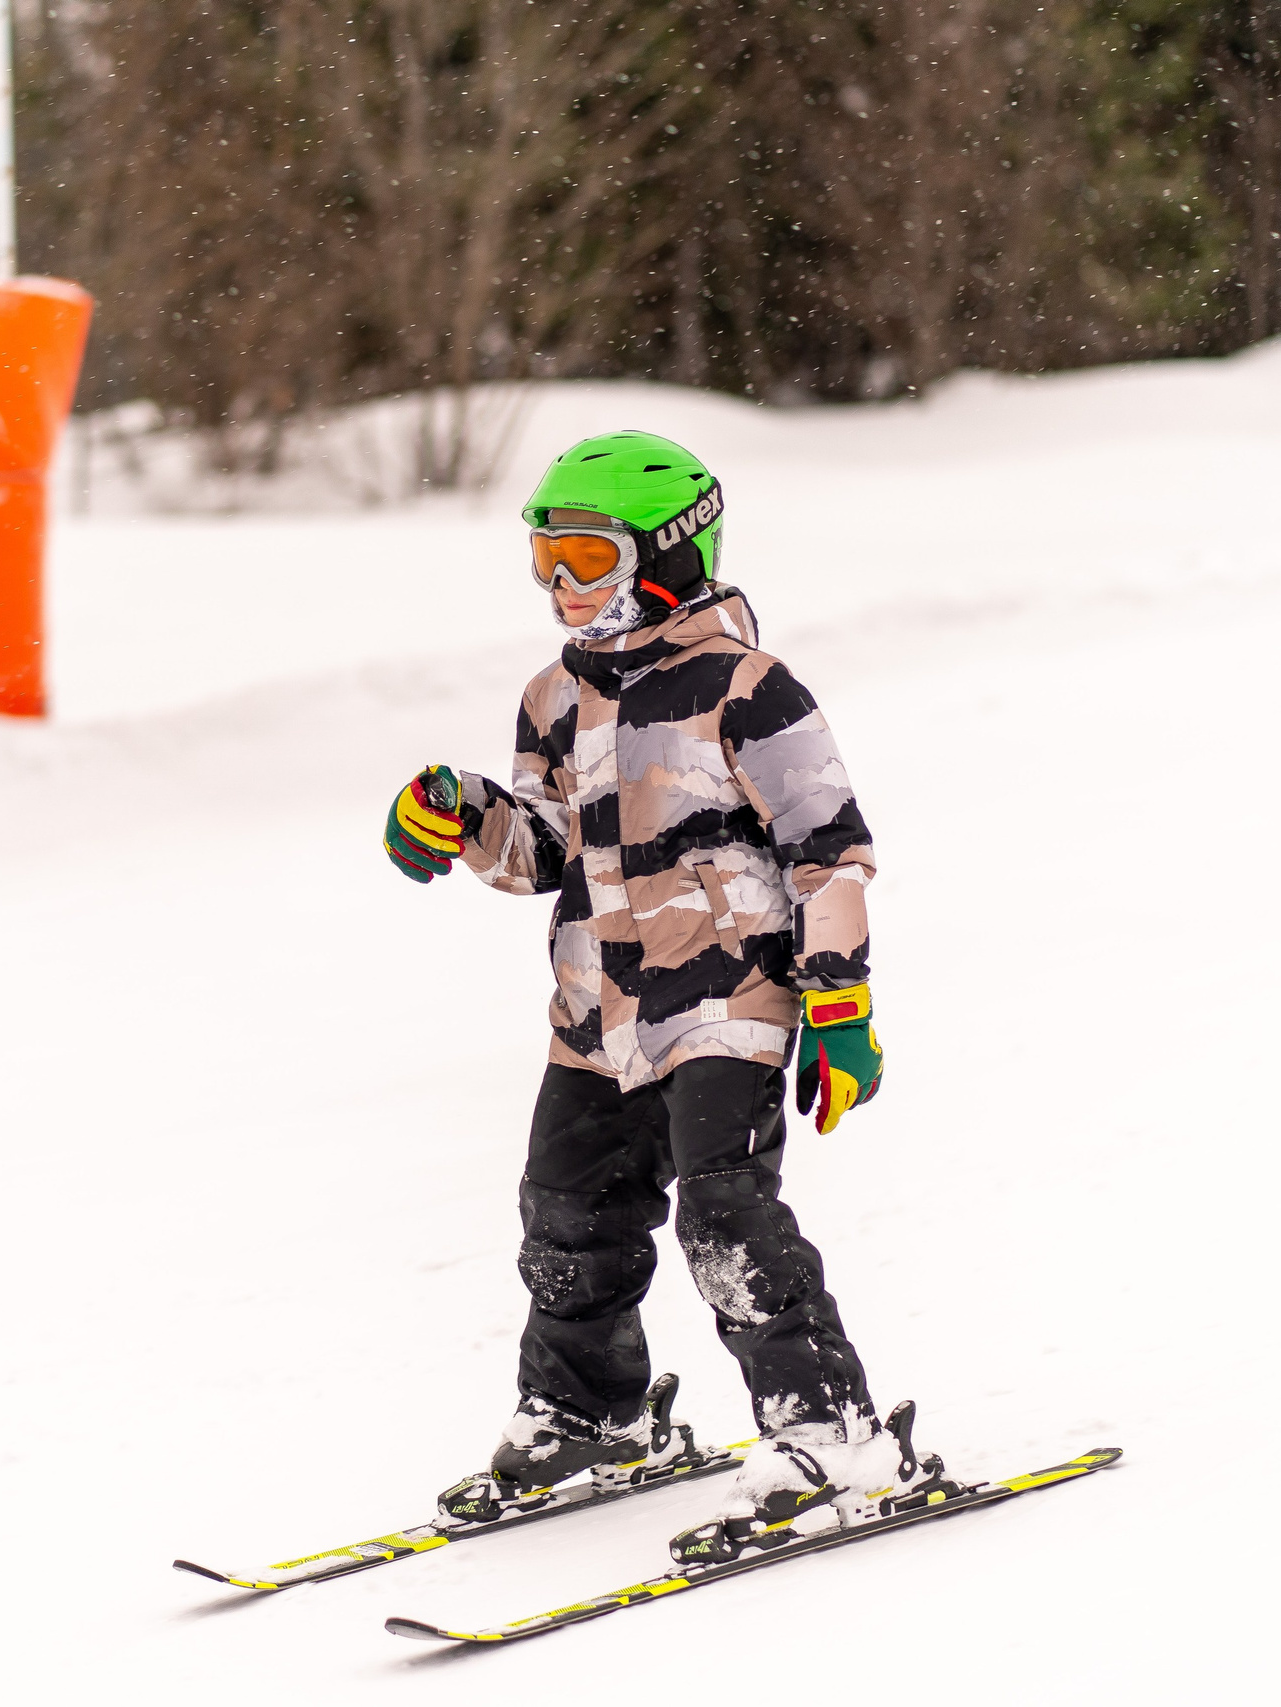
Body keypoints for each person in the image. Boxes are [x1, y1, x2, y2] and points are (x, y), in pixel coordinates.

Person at [381, 430, 923, 1563]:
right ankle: (593, 1418)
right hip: (597, 1009)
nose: (560, 587)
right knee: (568, 1217)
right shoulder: (550, 698)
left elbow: (829, 854)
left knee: (726, 1215)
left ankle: (829, 1431)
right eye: (543, 561)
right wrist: (465, 809)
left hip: (730, 993)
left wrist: (840, 1004)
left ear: (668, 553)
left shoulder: (749, 690)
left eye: (584, 556)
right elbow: (543, 853)